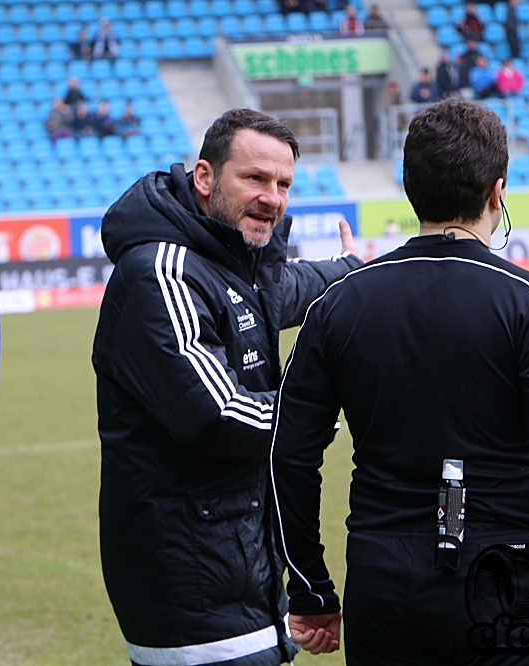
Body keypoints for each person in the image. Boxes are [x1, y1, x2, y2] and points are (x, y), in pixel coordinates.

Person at [270, 98, 529, 666]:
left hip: (383, 584)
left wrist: (310, 587)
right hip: (508, 578)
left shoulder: (336, 303)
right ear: (496, 192)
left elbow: (290, 453)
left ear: (411, 188)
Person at [93, 108, 362, 666]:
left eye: (283, 184)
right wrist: (320, 409)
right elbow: (216, 413)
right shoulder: (160, 271)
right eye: (255, 178)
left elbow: (283, 291)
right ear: (205, 178)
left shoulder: (232, 262)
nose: (273, 196)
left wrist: (354, 270)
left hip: (239, 568)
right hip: (188, 584)